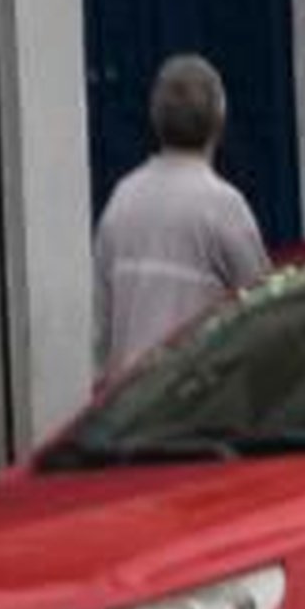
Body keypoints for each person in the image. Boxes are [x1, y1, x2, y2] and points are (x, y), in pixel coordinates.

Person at [94, 54, 270, 377]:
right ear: (220, 119)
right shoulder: (223, 205)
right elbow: (264, 310)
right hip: (197, 395)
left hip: (132, 396)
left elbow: (103, 323)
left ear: (154, 117)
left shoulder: (122, 198)